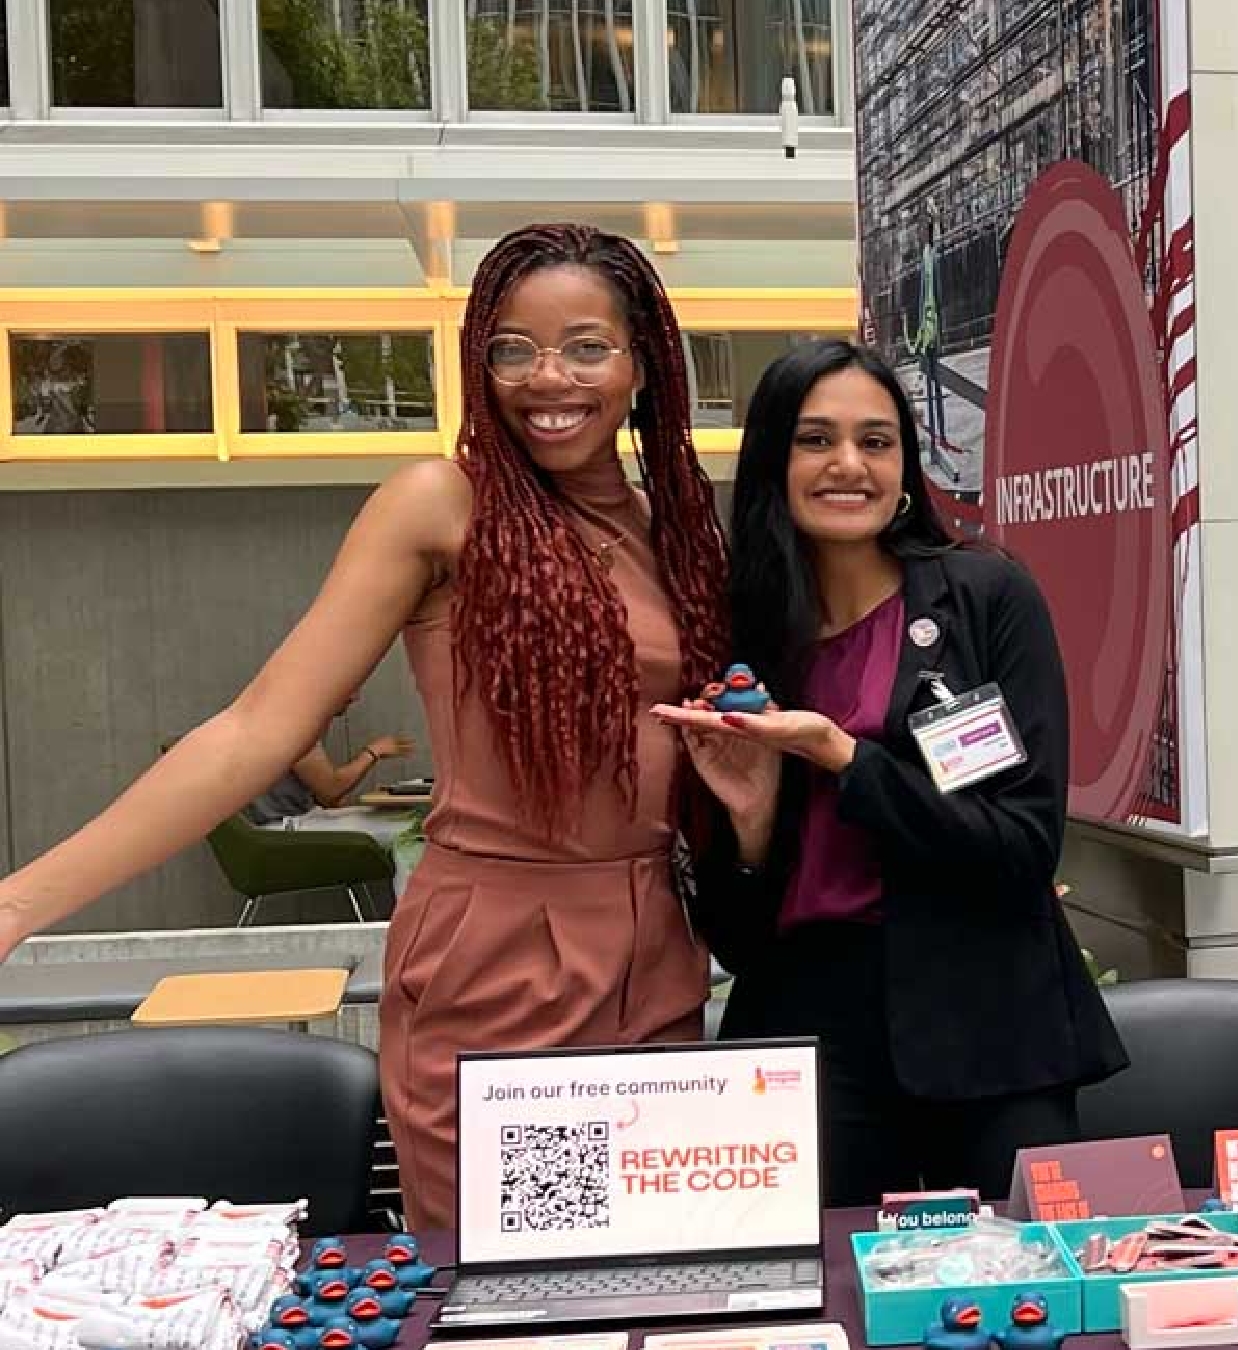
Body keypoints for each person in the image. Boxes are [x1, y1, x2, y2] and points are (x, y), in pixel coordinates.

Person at [0, 223, 729, 1228]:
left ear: (642, 362)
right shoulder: (441, 503)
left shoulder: (674, 528)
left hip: (655, 949)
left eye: (586, 347)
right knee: (508, 1280)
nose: (547, 377)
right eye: (512, 349)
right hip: (501, 954)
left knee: (657, 1266)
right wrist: (18, 905)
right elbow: (256, 729)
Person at [653, 340, 1126, 1206]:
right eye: (816, 440)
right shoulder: (740, 636)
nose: (849, 464)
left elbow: (1022, 845)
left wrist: (842, 757)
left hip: (988, 1015)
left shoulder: (983, 598)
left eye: (876, 441)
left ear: (906, 465)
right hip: (807, 1026)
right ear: (772, 463)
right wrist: (752, 822)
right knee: (820, 1275)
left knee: (1024, 1270)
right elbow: (738, 941)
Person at [247, 691, 414, 826]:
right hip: (283, 825)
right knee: (403, 828)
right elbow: (330, 790)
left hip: (299, 817)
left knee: (400, 818)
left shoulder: (298, 719)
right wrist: (372, 752)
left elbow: (326, 798)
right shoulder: (295, 725)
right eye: (350, 687)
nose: (355, 697)